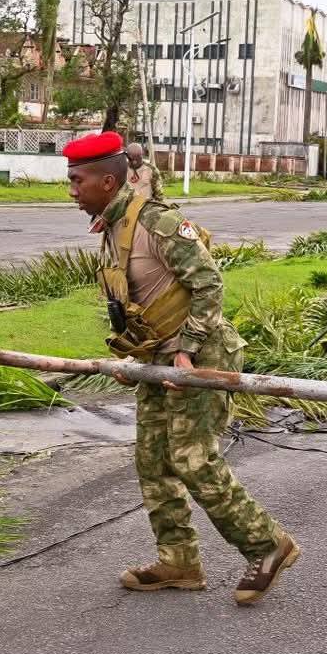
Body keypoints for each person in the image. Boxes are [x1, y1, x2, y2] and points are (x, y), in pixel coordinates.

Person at [63, 130, 299, 605]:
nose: (71, 191)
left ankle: (267, 544)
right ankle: (179, 561)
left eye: (77, 180)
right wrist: (132, 356)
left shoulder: (157, 222)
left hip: (202, 356)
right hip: (157, 358)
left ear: (107, 181)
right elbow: (139, 304)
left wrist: (187, 349)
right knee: (153, 461)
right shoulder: (111, 228)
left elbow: (209, 284)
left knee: (192, 458)